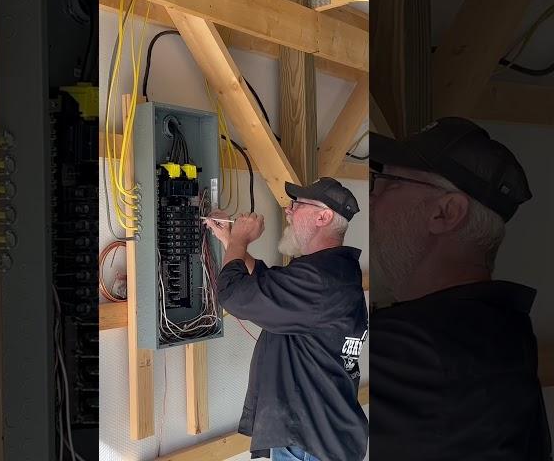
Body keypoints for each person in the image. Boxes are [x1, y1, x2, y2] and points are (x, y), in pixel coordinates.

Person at [369, 117, 552, 460]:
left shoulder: (409, 352)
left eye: (386, 182)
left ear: (446, 212)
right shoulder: (498, 333)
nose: (373, 198)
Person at [205, 178, 369, 461]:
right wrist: (230, 240)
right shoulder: (331, 273)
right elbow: (264, 280)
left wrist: (241, 239)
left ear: (324, 216)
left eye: (297, 205)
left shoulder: (320, 281)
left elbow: (231, 292)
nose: (289, 211)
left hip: (307, 445)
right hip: (319, 440)